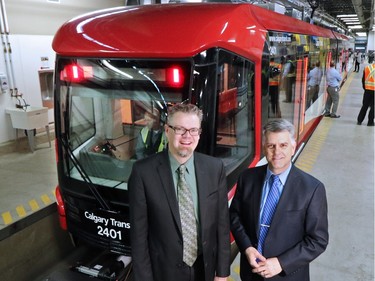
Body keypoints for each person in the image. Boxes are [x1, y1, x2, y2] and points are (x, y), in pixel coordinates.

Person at [129, 103, 230, 281]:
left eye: (193, 130)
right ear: (167, 130)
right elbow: (139, 238)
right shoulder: (143, 172)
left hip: (204, 267)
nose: (187, 136)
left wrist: (222, 273)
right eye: (180, 129)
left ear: (199, 133)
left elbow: (222, 224)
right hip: (163, 271)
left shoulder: (215, 168)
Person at [230, 119, 328, 281]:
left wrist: (281, 263)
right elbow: (234, 216)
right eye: (271, 146)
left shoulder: (312, 189)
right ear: (264, 148)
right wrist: (247, 248)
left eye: (283, 145)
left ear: (293, 148)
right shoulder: (248, 178)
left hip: (287, 276)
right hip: (251, 273)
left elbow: (318, 240)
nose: (277, 152)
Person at [357, 59, 375, 126]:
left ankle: (359, 121)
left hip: (367, 90)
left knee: (364, 106)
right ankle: (370, 122)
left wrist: (365, 88)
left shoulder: (367, 68)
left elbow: (363, 80)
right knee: (373, 107)